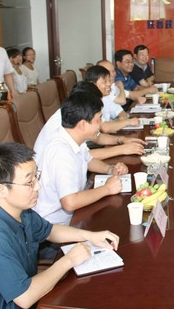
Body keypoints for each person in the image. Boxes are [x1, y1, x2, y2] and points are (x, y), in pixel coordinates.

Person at [0, 142, 119, 309]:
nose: (38, 186)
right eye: (29, 182)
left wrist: (90, 236)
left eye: (36, 177)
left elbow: (50, 231)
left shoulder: (19, 209)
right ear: (1, 190)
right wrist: (68, 260)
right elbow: (25, 297)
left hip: (31, 308)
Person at [33, 90, 129, 229]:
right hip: (54, 227)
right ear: (83, 124)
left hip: (74, 214)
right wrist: (107, 189)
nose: (101, 124)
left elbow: (88, 160)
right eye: (98, 120)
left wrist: (110, 169)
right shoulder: (60, 152)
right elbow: (70, 202)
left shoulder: (72, 137)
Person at [33, 81, 146, 161]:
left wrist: (122, 140)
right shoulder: (66, 121)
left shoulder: (76, 112)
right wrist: (121, 149)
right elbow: (85, 156)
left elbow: (98, 137)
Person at [85, 65, 141, 132]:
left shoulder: (106, 97)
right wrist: (128, 122)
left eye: (109, 80)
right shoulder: (88, 102)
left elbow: (122, 113)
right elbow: (104, 128)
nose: (109, 84)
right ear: (92, 84)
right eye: (104, 82)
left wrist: (118, 123)